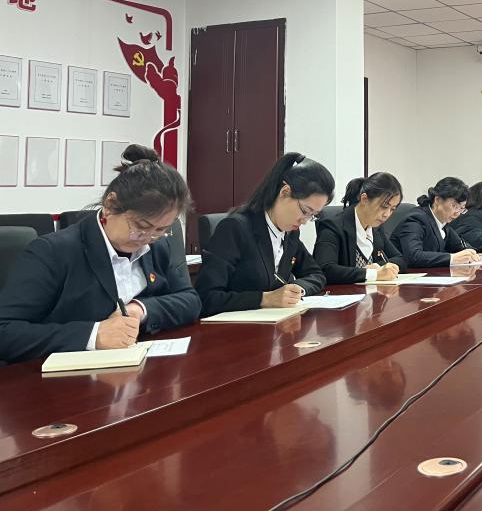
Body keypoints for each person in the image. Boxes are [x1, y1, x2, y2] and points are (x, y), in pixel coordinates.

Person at [0, 144, 200, 363]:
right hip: (63, 376)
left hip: (135, 368)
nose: (148, 238)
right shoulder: (53, 252)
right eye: (141, 226)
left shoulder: (156, 246)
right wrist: (94, 335)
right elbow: (6, 331)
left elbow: (190, 301)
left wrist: (140, 309)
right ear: (110, 204)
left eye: (161, 229)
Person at [196, 153, 329, 316]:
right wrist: (264, 299)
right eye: (305, 211)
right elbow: (206, 298)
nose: (305, 220)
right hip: (235, 327)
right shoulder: (235, 228)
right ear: (285, 192)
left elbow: (316, 274)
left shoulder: (290, 233)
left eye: (313, 215)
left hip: (276, 324)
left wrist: (297, 290)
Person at [313, 173, 408, 284]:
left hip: (372, 292)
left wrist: (379, 267)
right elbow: (325, 269)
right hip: (344, 293)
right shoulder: (332, 226)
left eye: (392, 209)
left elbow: (400, 259)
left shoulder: (375, 228)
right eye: (384, 206)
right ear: (364, 199)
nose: (386, 214)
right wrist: (372, 274)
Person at [391, 177, 478, 267]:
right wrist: (452, 258)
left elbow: (460, 246)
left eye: (462, 208)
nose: (457, 213)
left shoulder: (443, 224)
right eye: (454, 206)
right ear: (437, 200)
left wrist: (470, 252)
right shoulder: (416, 219)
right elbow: (414, 256)